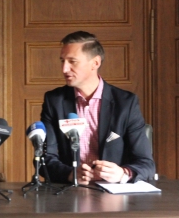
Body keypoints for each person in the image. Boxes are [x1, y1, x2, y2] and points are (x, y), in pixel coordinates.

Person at [41, 31, 155, 184]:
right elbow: (45, 159)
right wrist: (70, 174)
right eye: (62, 61)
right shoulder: (54, 101)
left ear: (95, 63)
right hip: (70, 191)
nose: (64, 69)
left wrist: (122, 173)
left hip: (114, 192)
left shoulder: (126, 103)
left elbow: (146, 164)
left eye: (72, 61)